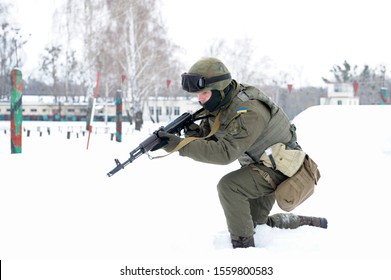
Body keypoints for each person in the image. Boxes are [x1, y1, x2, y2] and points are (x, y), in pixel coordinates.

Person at [157, 57, 327, 248]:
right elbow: (214, 136)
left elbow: (225, 153)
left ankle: (243, 249)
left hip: (281, 168)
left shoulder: (250, 110)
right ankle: (307, 223)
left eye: (204, 93)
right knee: (256, 225)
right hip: (262, 164)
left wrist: (179, 145)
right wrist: (194, 133)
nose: (200, 99)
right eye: (198, 94)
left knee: (229, 187)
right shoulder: (223, 102)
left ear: (220, 88)